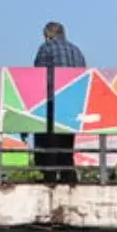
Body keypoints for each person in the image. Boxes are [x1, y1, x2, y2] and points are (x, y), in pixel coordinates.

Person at [33, 22, 86, 185]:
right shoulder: (77, 51)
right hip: (74, 103)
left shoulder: (46, 48)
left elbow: (38, 75)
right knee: (67, 141)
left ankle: (50, 176)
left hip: (52, 101)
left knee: (50, 141)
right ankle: (68, 174)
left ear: (48, 35)